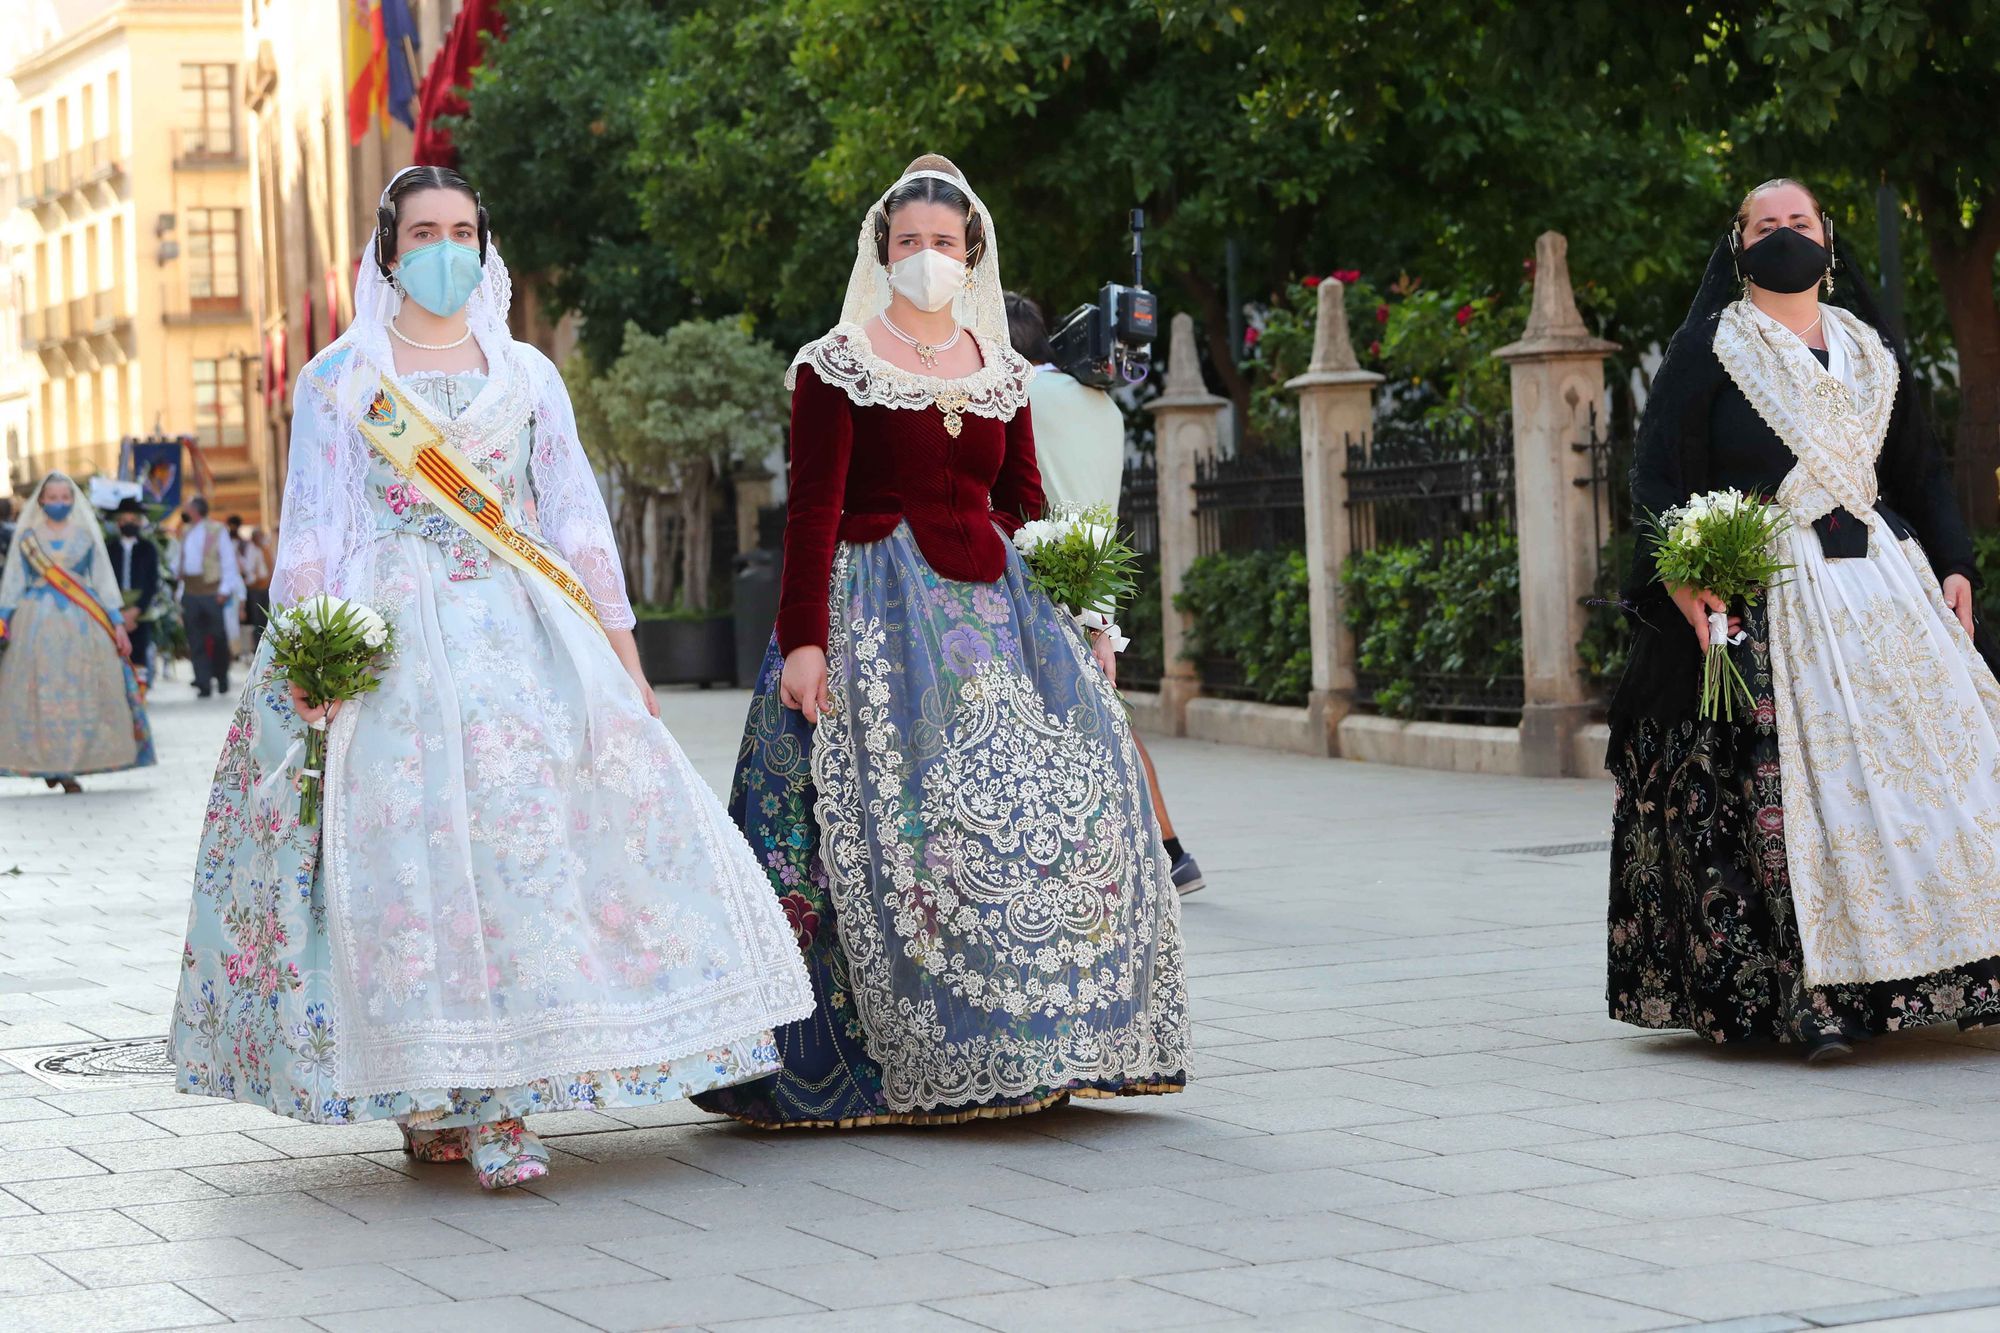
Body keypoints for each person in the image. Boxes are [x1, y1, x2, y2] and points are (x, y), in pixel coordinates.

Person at [168, 164, 812, 1189]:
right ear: (387, 252)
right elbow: (312, 538)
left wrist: (626, 667)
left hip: (520, 641)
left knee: (520, 863)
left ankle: (503, 1102)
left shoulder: (527, 377)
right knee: (411, 873)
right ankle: (435, 1092)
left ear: (484, 243)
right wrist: (308, 668)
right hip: (391, 651)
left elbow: (575, 528)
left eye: (461, 228)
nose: (444, 247)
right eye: (422, 230)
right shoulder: (341, 378)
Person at [693, 155, 1190, 1130]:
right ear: (883, 254)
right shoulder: (835, 363)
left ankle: (1036, 1041)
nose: (927, 258)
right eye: (910, 243)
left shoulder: (1001, 369)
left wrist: (1088, 620)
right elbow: (812, 513)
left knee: (1042, 814)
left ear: (971, 258)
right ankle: (868, 1058)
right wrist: (803, 644)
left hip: (1002, 614)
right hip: (871, 607)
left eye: (944, 245)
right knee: (883, 826)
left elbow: (1027, 508)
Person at [1608, 177, 2000, 1062]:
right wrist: (1685, 580)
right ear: (1736, 245)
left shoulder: (1871, 349)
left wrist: (1955, 562)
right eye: (1765, 225)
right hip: (1773, 590)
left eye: (1800, 222)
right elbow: (1655, 479)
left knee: (1953, 769)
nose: (1784, 235)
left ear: (1829, 240)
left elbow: (1923, 472)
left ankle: (1965, 967)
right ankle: (1810, 996)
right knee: (1792, 797)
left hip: (1885, 587)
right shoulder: (1710, 350)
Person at [1006, 291, 1207, 895]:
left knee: (1077, 724)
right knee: (1101, 718)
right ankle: (1169, 851)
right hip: (1096, 575)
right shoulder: (1100, 404)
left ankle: (1149, 853)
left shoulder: (1018, 397)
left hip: (1042, 573)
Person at [0, 472, 156, 792]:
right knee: (39, 694)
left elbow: (101, 578)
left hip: (82, 622)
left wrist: (116, 623)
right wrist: (4, 617)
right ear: (41, 500)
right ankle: (47, 762)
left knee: (79, 690)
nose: (58, 503)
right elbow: (15, 579)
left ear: (73, 501)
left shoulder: (86, 535)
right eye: (53, 497)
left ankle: (70, 764)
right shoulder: (28, 536)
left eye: (64, 498)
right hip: (35, 623)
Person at [176, 495, 242, 697]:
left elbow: (228, 561)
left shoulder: (217, 530)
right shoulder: (185, 532)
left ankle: (221, 676)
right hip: (191, 590)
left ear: (195, 510)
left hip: (212, 591)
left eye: (187, 508)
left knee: (218, 637)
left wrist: (224, 590)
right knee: (195, 638)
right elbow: (181, 559)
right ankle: (203, 681)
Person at [109, 496, 161, 691]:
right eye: (124, 519)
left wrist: (135, 611)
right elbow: (104, 580)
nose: (129, 523)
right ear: (118, 522)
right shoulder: (110, 548)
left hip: (141, 610)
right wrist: (118, 612)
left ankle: (140, 691)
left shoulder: (148, 549)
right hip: (115, 608)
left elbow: (152, 582)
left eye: (133, 519)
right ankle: (119, 689)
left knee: (139, 652)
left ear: (140, 522)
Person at [231, 517, 272, 657]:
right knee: (257, 621)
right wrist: (257, 579)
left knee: (267, 619)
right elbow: (249, 570)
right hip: (255, 589)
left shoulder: (265, 549)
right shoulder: (250, 550)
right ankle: (257, 649)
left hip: (266, 588)